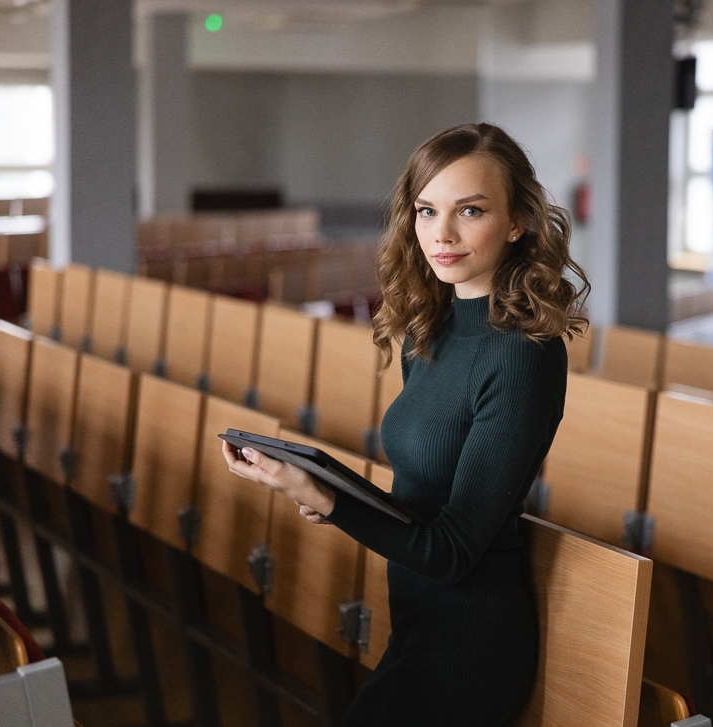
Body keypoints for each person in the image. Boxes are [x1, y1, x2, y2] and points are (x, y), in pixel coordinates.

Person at [221, 122, 589, 726]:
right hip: (417, 626)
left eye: (470, 211)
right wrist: (330, 493)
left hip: (470, 648)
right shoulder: (430, 333)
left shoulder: (525, 353)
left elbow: (452, 552)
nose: (440, 234)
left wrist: (325, 500)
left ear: (519, 220)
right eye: (426, 210)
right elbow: (419, 498)